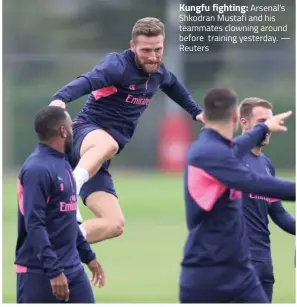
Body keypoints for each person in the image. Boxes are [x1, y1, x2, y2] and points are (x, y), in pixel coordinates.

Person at [49, 17, 204, 244]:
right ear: (133, 47)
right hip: (84, 135)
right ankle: (70, 187)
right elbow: (88, 80)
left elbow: (174, 87)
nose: (153, 56)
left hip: (97, 161)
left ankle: (55, 244)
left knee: (114, 224)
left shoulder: (158, 73)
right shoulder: (117, 66)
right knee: (108, 144)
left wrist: (197, 113)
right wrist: (61, 98)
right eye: (146, 50)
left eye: (158, 49)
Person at [179, 87, 295, 303]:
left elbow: (239, 145)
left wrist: (263, 129)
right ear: (236, 118)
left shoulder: (212, 150)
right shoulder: (210, 153)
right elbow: (256, 183)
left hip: (239, 269)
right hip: (209, 272)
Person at [15, 106, 105, 303]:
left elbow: (69, 219)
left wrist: (88, 257)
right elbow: (34, 225)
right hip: (39, 274)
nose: (73, 132)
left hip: (72, 269)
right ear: (63, 131)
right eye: (71, 127)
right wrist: (54, 271)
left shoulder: (63, 164)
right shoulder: (37, 169)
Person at [236, 97, 295, 302]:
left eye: (271, 121)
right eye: (262, 122)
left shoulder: (267, 165)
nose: (269, 127)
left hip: (264, 261)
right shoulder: (231, 159)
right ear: (244, 122)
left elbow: (278, 213)